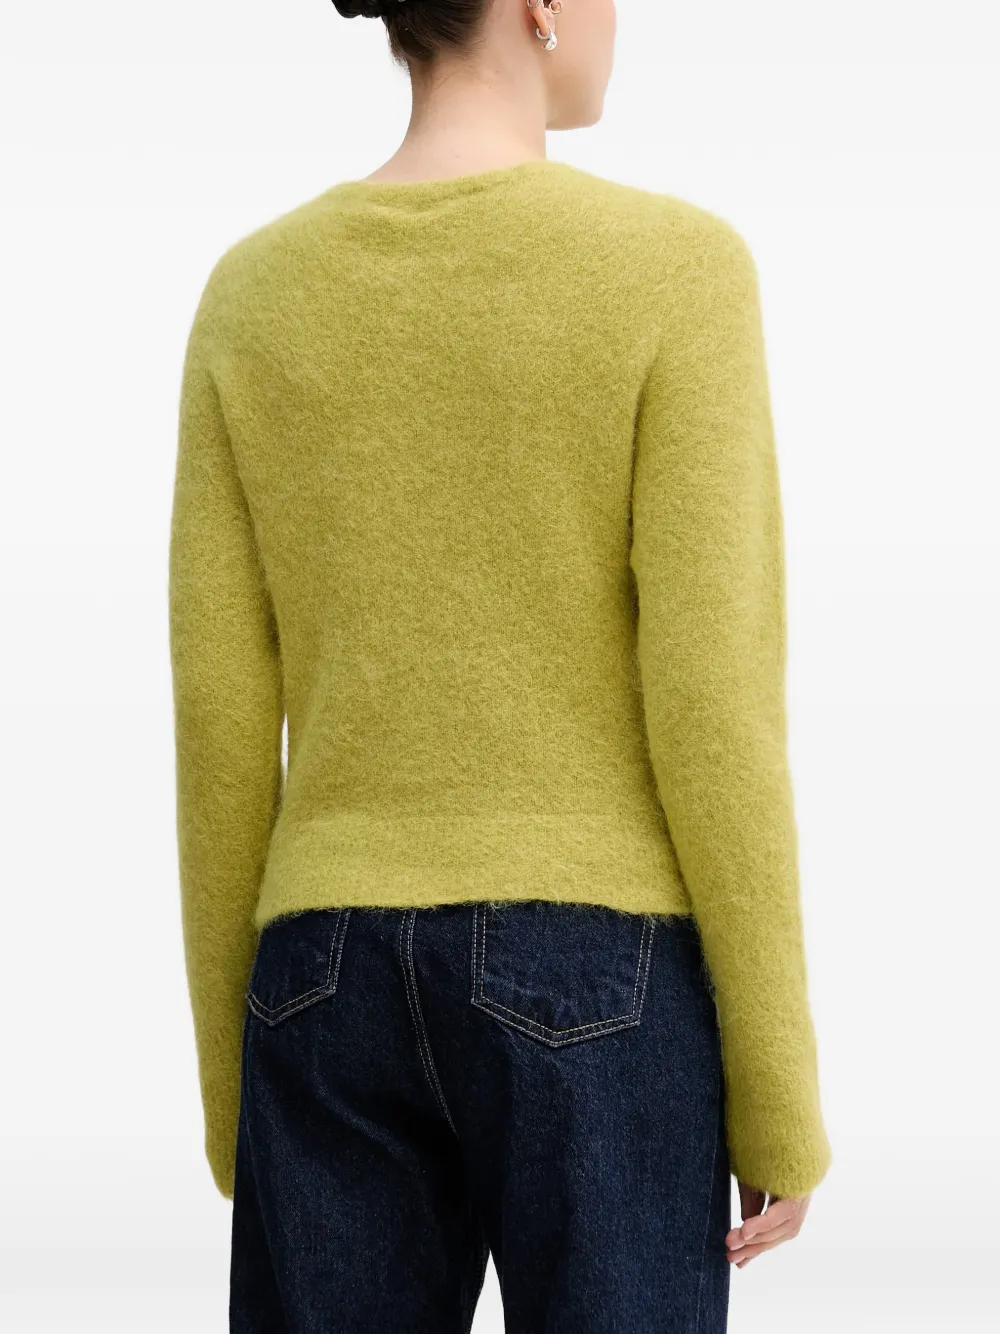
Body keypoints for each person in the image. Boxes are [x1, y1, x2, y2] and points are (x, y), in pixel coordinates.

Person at [167, 0, 833, 1328]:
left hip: (320, 973)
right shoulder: (676, 270)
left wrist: (239, 1095)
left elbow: (219, 717)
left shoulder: (254, 294)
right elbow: (713, 701)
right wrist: (776, 1085)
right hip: (602, 972)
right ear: (537, 4)